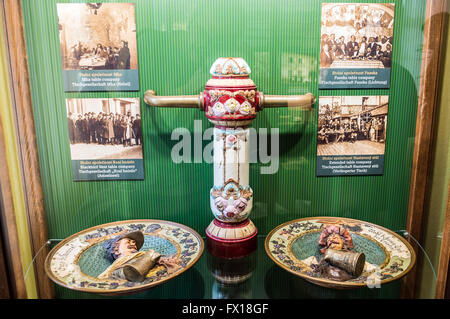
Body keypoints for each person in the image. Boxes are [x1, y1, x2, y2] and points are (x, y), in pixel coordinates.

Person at [98, 231, 182, 282]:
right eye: (129, 242)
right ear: (116, 250)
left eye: (134, 243)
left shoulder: (143, 254)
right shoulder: (115, 267)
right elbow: (103, 278)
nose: (133, 244)